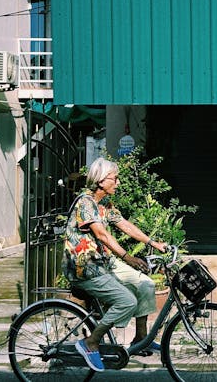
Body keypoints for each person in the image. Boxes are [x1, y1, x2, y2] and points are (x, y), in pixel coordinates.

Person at [62, 157, 168, 372]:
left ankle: (140, 340)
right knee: (126, 301)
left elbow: (125, 225)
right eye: (115, 178)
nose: (118, 183)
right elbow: (101, 234)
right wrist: (127, 256)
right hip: (86, 267)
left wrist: (153, 243)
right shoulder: (85, 202)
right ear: (101, 181)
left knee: (145, 284)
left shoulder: (104, 205)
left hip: (104, 261)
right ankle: (91, 342)